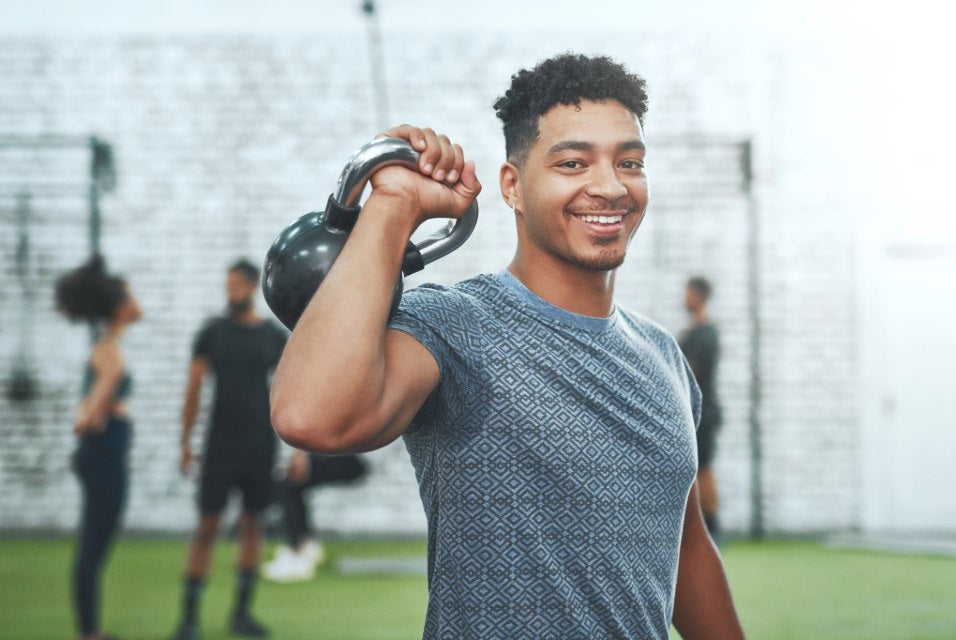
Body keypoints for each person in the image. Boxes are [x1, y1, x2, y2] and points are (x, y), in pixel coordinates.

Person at [270, 53, 745, 639]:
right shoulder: (454, 324)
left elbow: (686, 550)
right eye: (573, 162)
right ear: (512, 187)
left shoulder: (663, 357)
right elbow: (309, 416)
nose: (610, 185)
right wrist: (393, 204)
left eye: (630, 162)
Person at [171, 259, 287, 640]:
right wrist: (186, 443)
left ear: (252, 287)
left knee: (253, 526)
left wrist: (298, 450)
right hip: (219, 446)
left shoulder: (272, 336)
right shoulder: (212, 334)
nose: (230, 291)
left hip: (260, 446)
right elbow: (193, 391)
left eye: (236, 284)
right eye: (227, 284)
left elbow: (291, 391)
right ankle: (189, 619)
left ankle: (241, 613)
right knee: (207, 527)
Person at [56, 255, 143, 640]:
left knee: (96, 543)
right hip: (103, 453)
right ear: (120, 306)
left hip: (104, 453)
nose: (138, 302)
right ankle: (89, 633)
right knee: (93, 545)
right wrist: (97, 413)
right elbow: (85, 418)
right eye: (131, 295)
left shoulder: (109, 346)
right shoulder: (109, 351)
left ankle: (90, 629)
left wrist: (98, 411)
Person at [262, 450, 367, 582]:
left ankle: (298, 555)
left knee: (290, 487)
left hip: (353, 457)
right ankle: (306, 546)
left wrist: (302, 455)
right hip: (342, 454)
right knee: (290, 487)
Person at [679, 276, 724, 541]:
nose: (684, 298)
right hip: (690, 411)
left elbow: (692, 369)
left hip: (704, 414)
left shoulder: (706, 334)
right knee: (697, 469)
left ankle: (713, 527)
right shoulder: (693, 331)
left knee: (704, 468)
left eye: (688, 293)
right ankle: (703, 526)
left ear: (698, 296)